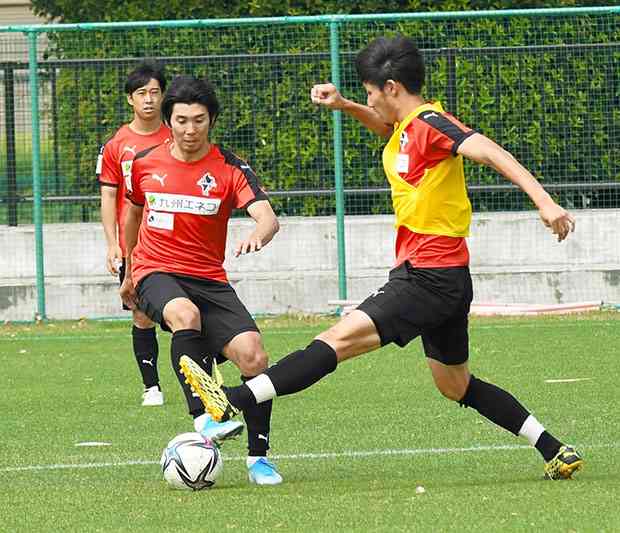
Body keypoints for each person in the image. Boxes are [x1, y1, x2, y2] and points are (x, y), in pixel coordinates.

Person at [179, 35, 584, 481]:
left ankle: (231, 399)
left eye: (371, 91)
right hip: (443, 278)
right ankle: (553, 448)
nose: (369, 98)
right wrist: (347, 106)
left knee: (336, 340)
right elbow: (389, 130)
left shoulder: (432, 122)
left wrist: (545, 203)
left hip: (427, 277)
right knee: (456, 385)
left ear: (391, 87)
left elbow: (488, 150)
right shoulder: (409, 127)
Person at [120, 75, 283, 485]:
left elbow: (267, 217)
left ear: (211, 120)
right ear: (168, 120)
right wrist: (128, 269)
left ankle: (259, 459)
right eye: (181, 121)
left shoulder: (230, 167)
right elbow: (132, 215)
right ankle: (205, 417)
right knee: (183, 313)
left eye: (198, 120)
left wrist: (258, 234)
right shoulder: (144, 163)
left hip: (209, 278)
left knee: (254, 355)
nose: (189, 130)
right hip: (156, 270)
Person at [98, 60, 171, 407]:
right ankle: (152, 386)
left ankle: (206, 378)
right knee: (141, 313)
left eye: (155, 92)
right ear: (130, 99)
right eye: (141, 93)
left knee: (189, 313)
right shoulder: (117, 144)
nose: (148, 99)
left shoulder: (178, 134)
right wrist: (114, 244)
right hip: (136, 244)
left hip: (174, 238)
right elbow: (109, 196)